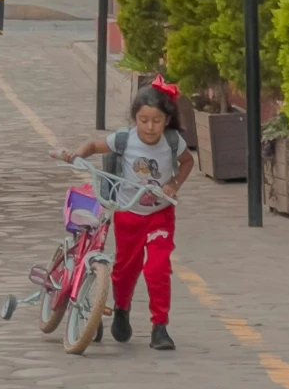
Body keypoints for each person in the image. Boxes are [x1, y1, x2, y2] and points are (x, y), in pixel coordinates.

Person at [64, 86, 194, 351]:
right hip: (128, 215)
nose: (149, 127)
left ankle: (160, 327)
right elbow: (93, 145)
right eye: (143, 120)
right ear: (135, 118)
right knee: (125, 270)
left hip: (160, 216)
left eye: (156, 121)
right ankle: (122, 309)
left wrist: (174, 184)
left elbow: (187, 162)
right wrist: (78, 152)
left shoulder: (172, 141)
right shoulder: (124, 139)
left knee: (157, 269)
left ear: (166, 120)